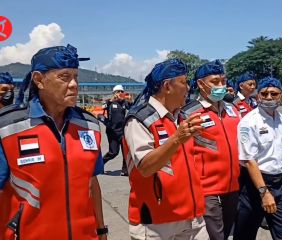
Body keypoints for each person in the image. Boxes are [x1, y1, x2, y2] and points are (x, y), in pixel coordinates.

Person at [0, 44, 107, 240]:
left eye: (76, 76)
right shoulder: (7, 127)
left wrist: (101, 229)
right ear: (39, 80)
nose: (74, 84)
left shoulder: (90, 125)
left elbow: (92, 182)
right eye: (64, 77)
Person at [123, 59, 209, 239]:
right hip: (157, 223)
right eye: (184, 82)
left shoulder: (182, 116)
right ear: (167, 86)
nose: (188, 88)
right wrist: (177, 139)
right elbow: (146, 167)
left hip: (193, 217)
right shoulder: (140, 119)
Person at [181, 60, 240, 240]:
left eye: (223, 80)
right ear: (201, 84)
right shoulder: (189, 113)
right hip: (206, 189)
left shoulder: (232, 109)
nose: (221, 86)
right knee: (216, 236)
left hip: (233, 186)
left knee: (228, 231)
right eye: (215, 82)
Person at [234, 77, 282, 240]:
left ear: (281, 96)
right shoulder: (249, 122)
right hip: (254, 186)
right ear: (258, 96)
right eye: (264, 93)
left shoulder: (281, 119)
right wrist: (264, 192)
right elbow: (248, 160)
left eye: (274, 94)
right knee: (244, 235)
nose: (269, 97)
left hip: (279, 183)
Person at [102, 84, 131, 176]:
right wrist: (111, 100)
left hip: (122, 131)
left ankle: (125, 170)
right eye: (118, 91)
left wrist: (130, 101)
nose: (120, 93)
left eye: (122, 92)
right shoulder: (109, 102)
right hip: (112, 131)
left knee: (125, 152)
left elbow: (132, 107)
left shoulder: (124, 103)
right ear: (114, 93)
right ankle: (100, 164)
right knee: (113, 152)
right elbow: (103, 107)